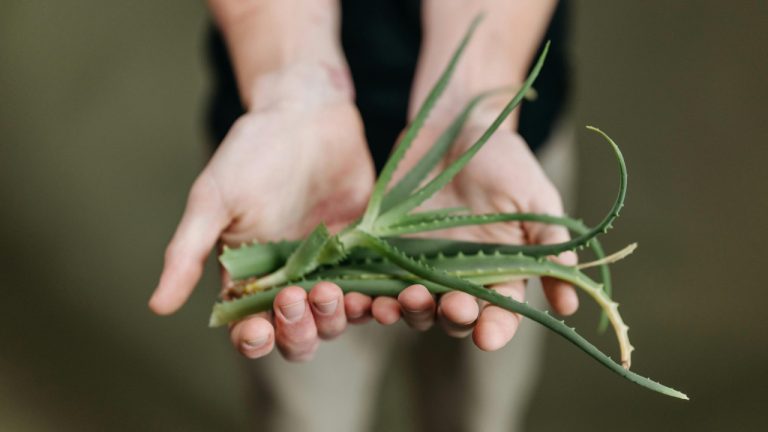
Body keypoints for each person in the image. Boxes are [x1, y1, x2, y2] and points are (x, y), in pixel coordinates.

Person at [149, 1, 577, 430]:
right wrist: (289, 88)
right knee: (300, 410)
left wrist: (475, 102)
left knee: (475, 409)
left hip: (486, 171)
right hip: (287, 177)